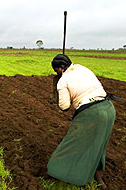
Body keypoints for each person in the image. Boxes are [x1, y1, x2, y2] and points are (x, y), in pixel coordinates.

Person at [47, 54, 118, 189]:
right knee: (99, 145)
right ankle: (99, 179)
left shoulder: (63, 81)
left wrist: (58, 90)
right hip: (108, 108)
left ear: (60, 69)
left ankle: (57, 172)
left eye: (56, 71)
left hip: (92, 113)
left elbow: (64, 106)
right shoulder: (81, 68)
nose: (56, 73)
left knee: (72, 144)